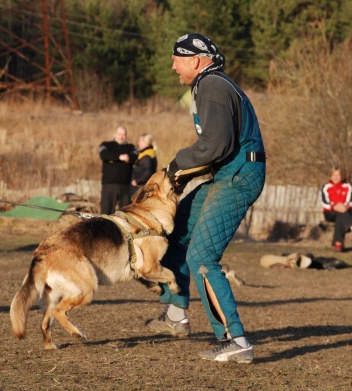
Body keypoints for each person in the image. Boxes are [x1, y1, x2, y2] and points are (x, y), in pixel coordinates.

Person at [144, 33, 266, 363]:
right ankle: (175, 315)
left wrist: (174, 167)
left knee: (202, 257)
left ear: (196, 61)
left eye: (177, 60)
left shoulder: (212, 87)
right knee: (178, 231)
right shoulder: (209, 85)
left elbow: (215, 146)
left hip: (239, 177)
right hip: (227, 174)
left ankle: (236, 340)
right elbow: (217, 148)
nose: (173, 66)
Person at [321, 168, 352, 252]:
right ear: (330, 177)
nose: (336, 177)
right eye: (334, 175)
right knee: (340, 213)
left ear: (342, 176)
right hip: (330, 212)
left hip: (345, 211)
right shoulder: (326, 187)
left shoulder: (348, 186)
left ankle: (338, 244)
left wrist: (346, 206)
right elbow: (324, 202)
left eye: (338, 175)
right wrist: (334, 206)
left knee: (340, 216)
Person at [99, 126, 137, 215]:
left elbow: (134, 156)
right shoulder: (106, 145)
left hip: (125, 186)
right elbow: (104, 155)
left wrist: (113, 159)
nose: (121, 136)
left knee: (125, 214)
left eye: (124, 134)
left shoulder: (131, 147)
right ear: (114, 134)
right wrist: (120, 157)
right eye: (119, 134)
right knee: (106, 212)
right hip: (109, 185)